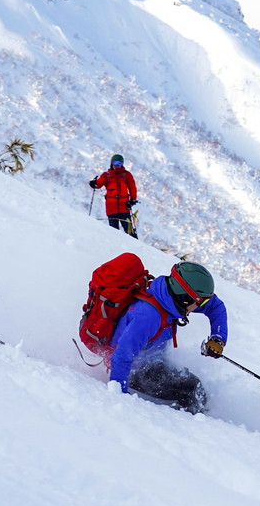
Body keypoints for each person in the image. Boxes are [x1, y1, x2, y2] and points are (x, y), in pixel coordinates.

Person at [108, 262, 227, 414]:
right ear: (185, 298)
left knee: (195, 389)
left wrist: (218, 338)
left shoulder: (170, 297)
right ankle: (191, 426)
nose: (202, 306)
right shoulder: (148, 317)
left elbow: (215, 307)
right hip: (135, 370)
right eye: (200, 301)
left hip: (153, 362)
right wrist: (120, 398)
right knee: (192, 392)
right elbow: (122, 356)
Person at [88, 153, 138, 237]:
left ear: (122, 164)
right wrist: (94, 184)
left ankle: (135, 248)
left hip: (124, 206)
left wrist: (133, 199)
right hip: (111, 207)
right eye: (115, 163)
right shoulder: (106, 175)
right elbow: (99, 184)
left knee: (129, 230)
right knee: (114, 231)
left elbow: (132, 187)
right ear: (111, 163)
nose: (117, 166)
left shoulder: (127, 175)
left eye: (119, 163)